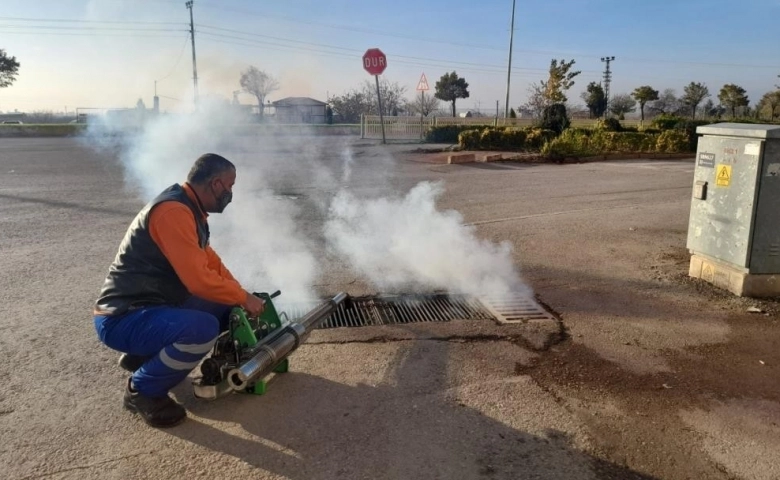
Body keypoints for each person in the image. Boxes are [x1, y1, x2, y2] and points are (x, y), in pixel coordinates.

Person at [92, 153, 265, 428]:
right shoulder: (174, 212)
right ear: (216, 184)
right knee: (201, 329)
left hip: (150, 307)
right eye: (230, 186)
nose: (230, 193)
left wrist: (241, 295)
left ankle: (144, 356)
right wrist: (243, 297)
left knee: (226, 306)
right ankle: (141, 390)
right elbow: (199, 281)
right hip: (122, 317)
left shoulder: (191, 210)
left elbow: (211, 264)